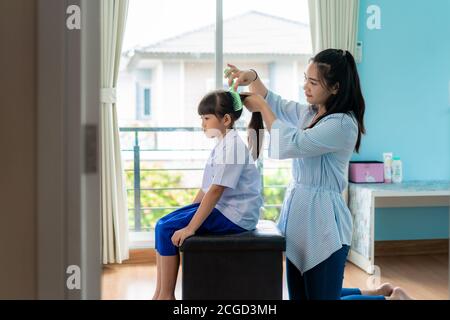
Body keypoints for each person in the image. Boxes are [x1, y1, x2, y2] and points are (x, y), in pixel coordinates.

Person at [225, 48, 366, 300]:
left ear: (335, 88)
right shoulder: (310, 113)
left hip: (324, 223)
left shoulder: (342, 124)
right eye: (305, 79)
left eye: (313, 82)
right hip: (299, 217)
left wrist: (261, 106)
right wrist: (253, 77)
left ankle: (386, 297)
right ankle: (381, 293)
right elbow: (276, 102)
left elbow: (294, 143)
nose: (305, 87)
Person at [152, 90, 264, 300]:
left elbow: (216, 191)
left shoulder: (233, 147)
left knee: (167, 228)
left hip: (236, 216)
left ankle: (166, 296)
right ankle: (159, 293)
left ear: (226, 119)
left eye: (206, 118)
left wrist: (190, 227)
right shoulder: (222, 144)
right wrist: (188, 212)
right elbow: (205, 189)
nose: (202, 123)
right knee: (162, 224)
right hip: (224, 209)